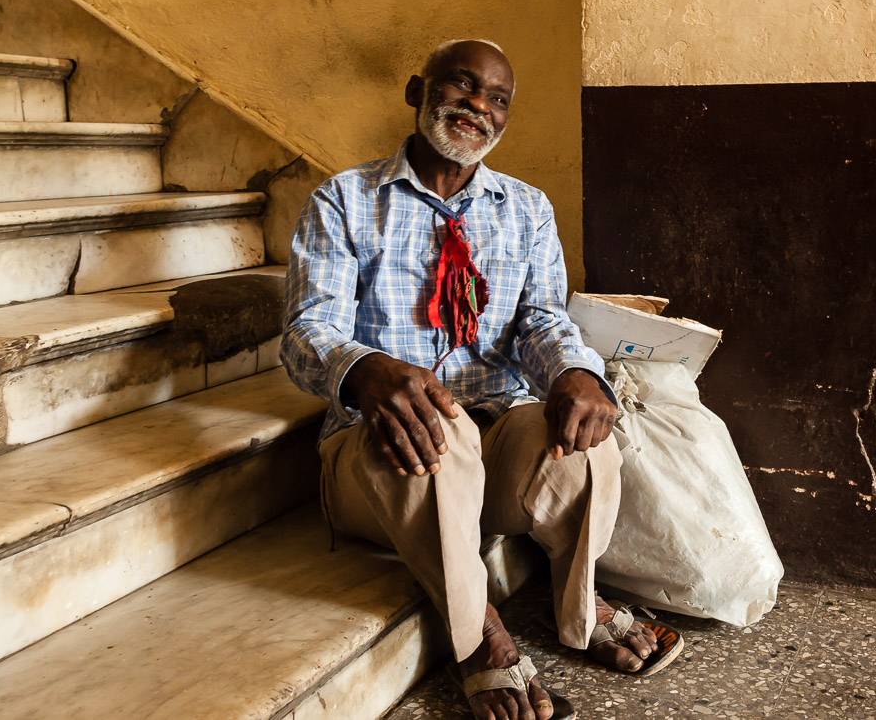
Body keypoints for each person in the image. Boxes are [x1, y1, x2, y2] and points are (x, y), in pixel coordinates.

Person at [282, 40, 680, 720]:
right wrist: (366, 368)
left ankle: (581, 605)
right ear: (418, 91)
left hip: (491, 439)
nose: (479, 106)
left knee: (585, 441)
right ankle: (481, 636)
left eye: (498, 98)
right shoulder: (344, 199)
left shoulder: (526, 208)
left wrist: (578, 372)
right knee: (432, 431)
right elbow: (304, 331)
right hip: (378, 462)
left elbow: (541, 319)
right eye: (463, 86)